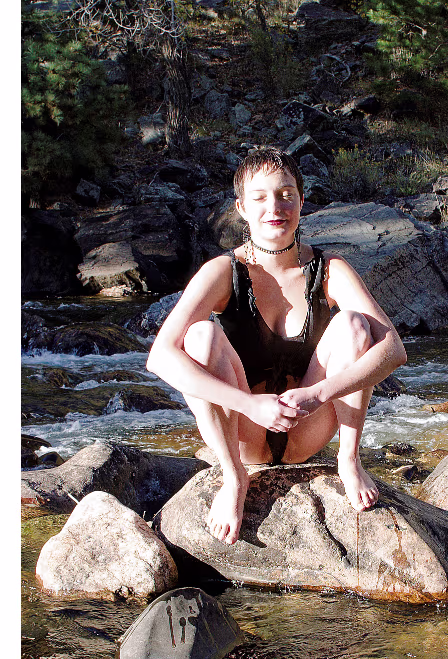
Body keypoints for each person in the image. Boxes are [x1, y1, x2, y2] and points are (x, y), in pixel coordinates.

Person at [146, 147, 407, 545]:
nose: (275, 207)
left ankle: (349, 460)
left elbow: (393, 350)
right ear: (242, 207)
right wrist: (249, 405)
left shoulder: (330, 269)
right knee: (200, 336)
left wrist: (319, 393)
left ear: (301, 201)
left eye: (286, 195)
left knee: (354, 325)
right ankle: (233, 478)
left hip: (308, 427)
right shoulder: (223, 271)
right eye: (260, 197)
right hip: (245, 433)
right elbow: (160, 357)